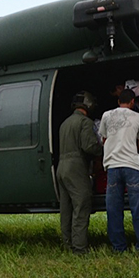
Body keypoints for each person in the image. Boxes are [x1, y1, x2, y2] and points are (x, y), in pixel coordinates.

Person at [98, 87, 139, 252]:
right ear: (132, 102)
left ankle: (119, 247)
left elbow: (104, 140)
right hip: (132, 167)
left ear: (118, 102)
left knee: (114, 210)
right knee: (138, 209)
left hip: (113, 167)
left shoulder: (106, 115)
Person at [56, 90, 104, 254]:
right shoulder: (85, 122)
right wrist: (103, 149)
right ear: (89, 105)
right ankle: (80, 247)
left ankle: (68, 243)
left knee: (66, 208)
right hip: (76, 167)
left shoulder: (65, 123)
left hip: (61, 167)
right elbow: (89, 146)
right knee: (81, 205)